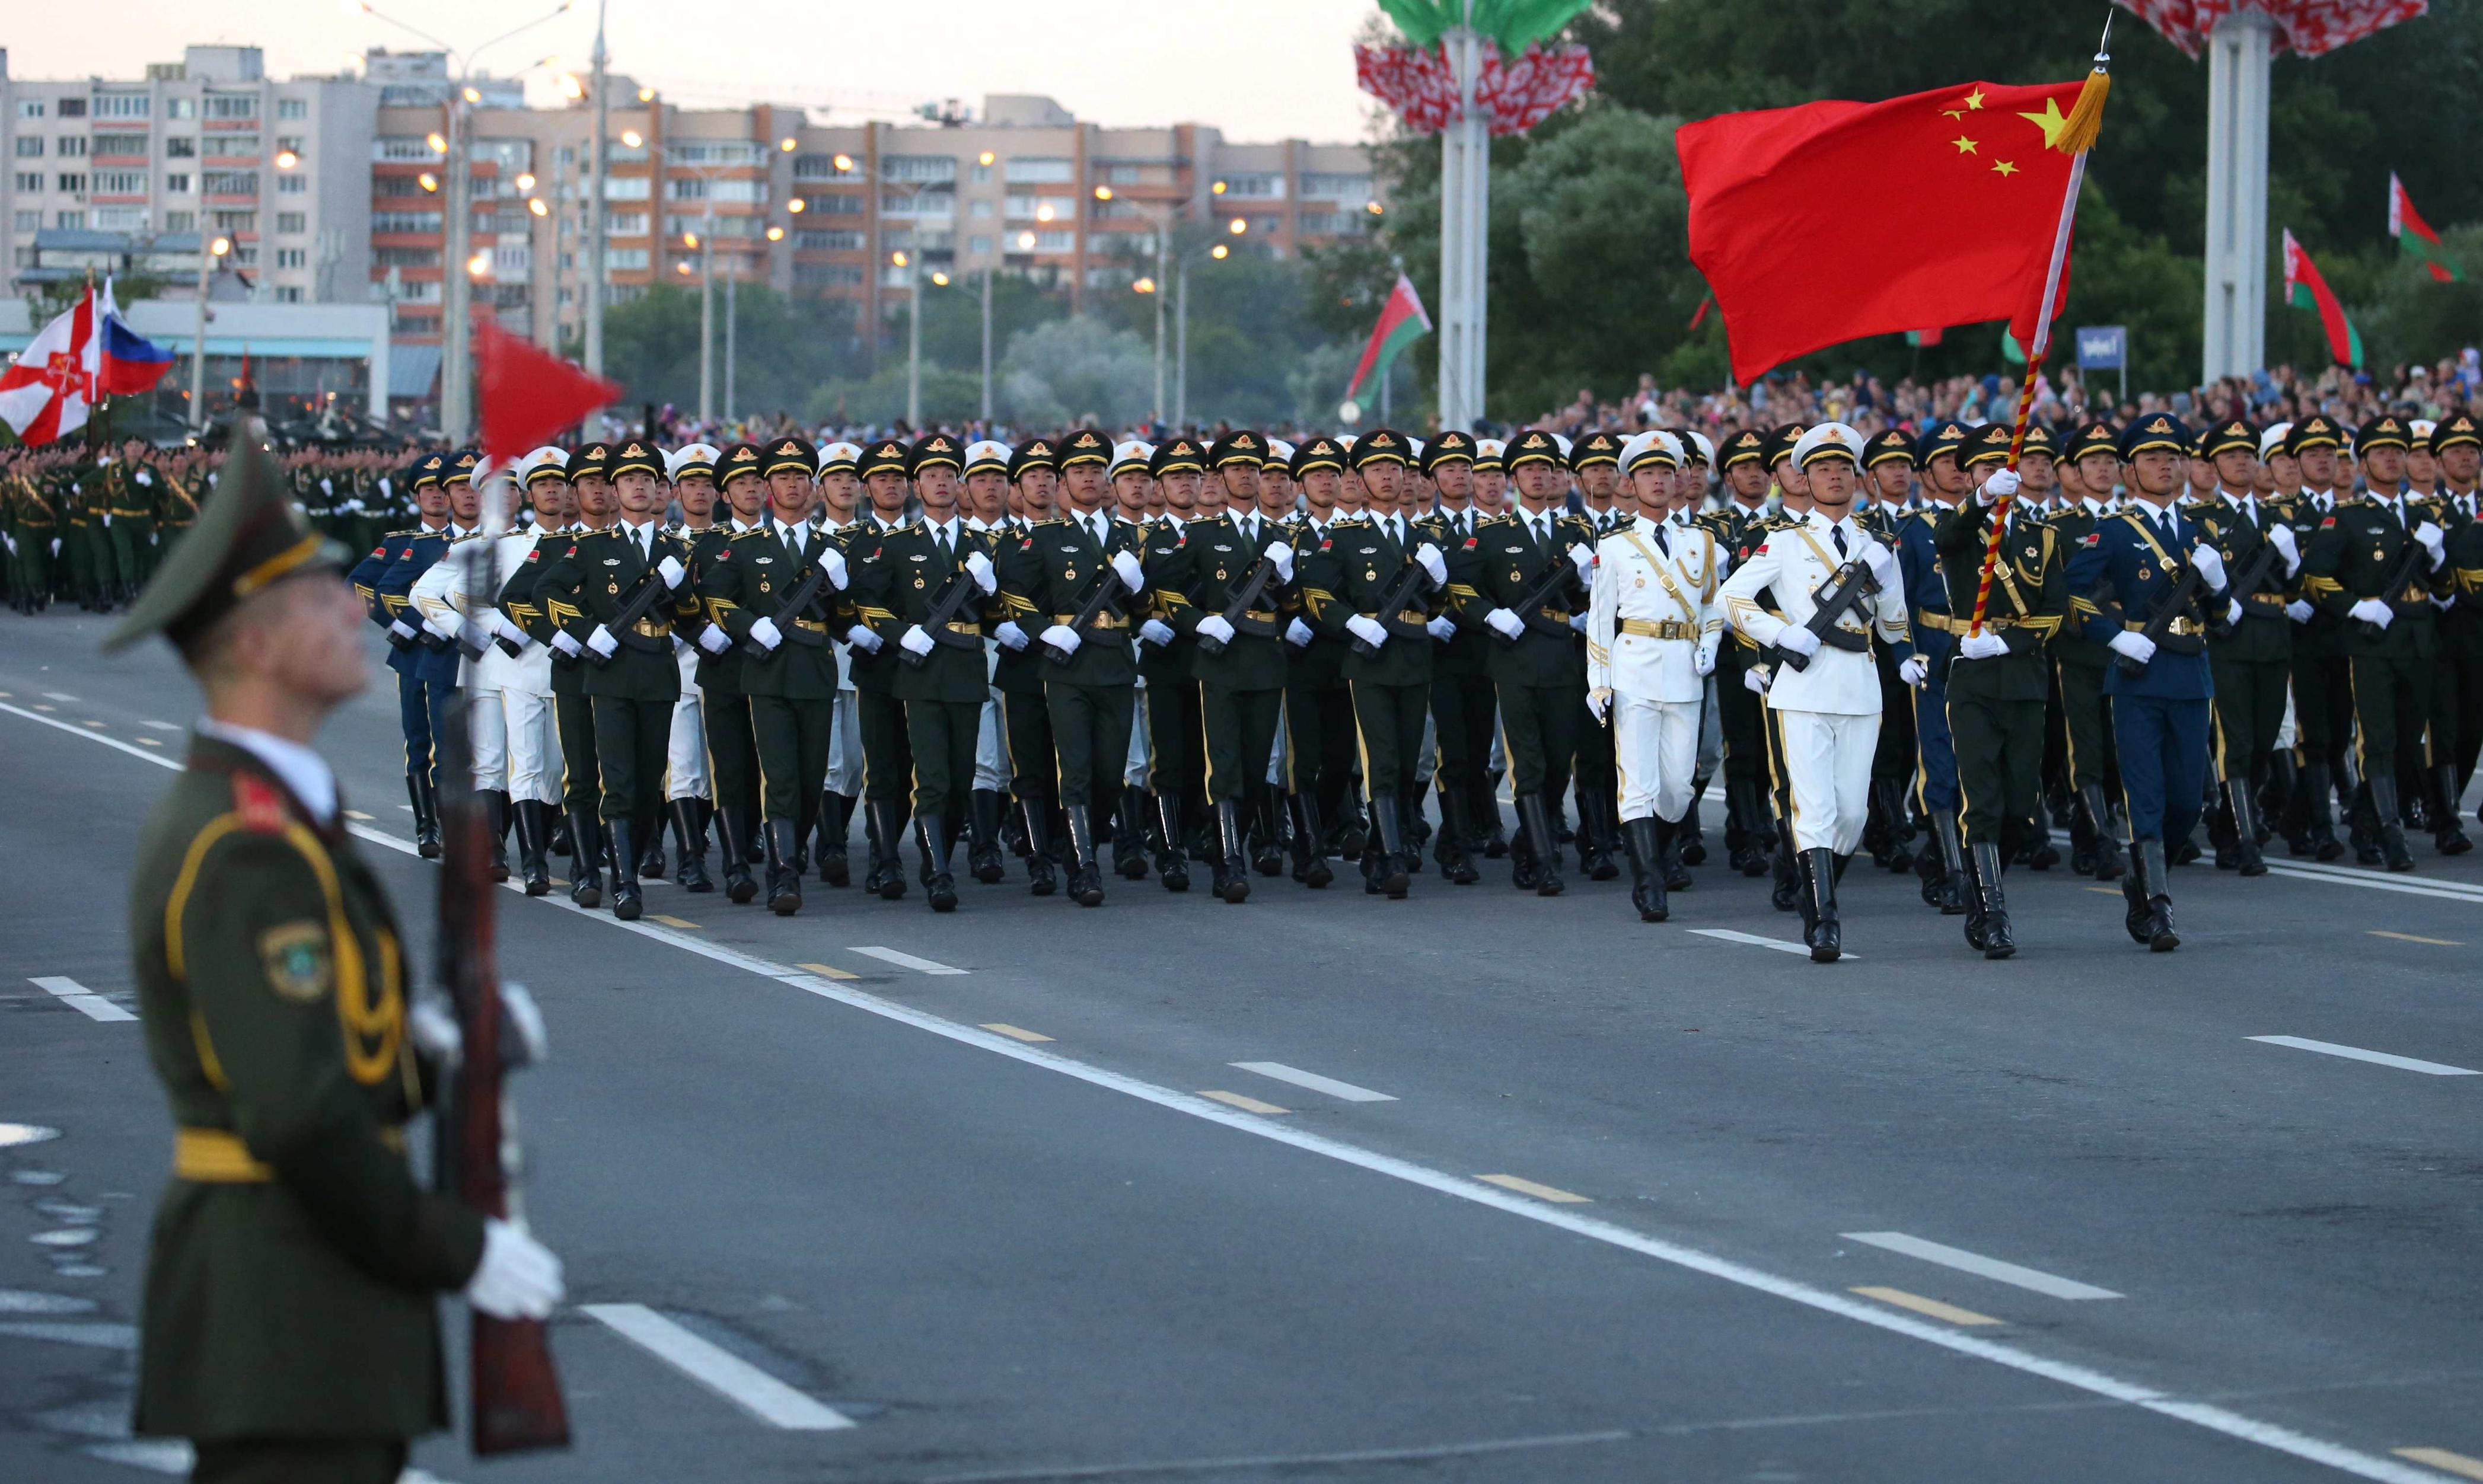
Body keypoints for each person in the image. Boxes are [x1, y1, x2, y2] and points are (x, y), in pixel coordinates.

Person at [106, 435, 562, 1484]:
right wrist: (460, 1247)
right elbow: (298, 1114)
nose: (355, 609)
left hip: (312, 1306)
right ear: (256, 645)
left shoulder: (277, 808)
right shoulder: (244, 840)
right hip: (282, 1305)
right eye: (320, 600)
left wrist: (431, 1053)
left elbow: (321, 1053)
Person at [1719, 423, 1923, 962]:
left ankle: (1814, 889)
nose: (1833, 477)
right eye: (1821, 469)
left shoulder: (1874, 547)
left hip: (1859, 685)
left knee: (1851, 815)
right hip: (1803, 687)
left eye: (1841, 469)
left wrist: (1905, 659)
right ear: (1804, 479)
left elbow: (1894, 617)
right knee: (1812, 807)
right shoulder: (1783, 541)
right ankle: (1824, 919)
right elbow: (1732, 598)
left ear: (1856, 479)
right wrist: (1780, 633)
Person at [2064, 413, 2232, 947]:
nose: (2164, 465)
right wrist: (2114, 636)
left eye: (2172, 457)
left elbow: (2224, 619)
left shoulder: (2200, 532)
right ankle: (2158, 907)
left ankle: (2143, 876)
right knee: (2147, 795)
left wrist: (2220, 585)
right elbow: (2071, 594)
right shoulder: (2113, 530)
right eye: (2152, 458)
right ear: (2131, 471)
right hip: (2137, 674)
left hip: (2190, 673)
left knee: (2188, 798)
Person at [531, 438, 702, 920]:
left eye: (648, 479)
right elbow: (547, 590)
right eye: (630, 479)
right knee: (619, 780)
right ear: (615, 489)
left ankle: (629, 859)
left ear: (659, 488)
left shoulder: (676, 549)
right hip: (609, 671)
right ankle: (625, 882)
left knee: (650, 783)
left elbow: (691, 616)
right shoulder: (591, 547)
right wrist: (588, 633)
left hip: (657, 670)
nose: (640, 486)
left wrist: (681, 587)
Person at [996, 427, 1161, 905]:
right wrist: (1042, 629)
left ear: (1107, 480)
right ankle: (1085, 865)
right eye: (1078, 471)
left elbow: (1149, 609)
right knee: (1076, 769)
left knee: (1111, 773)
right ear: (1064, 481)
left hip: (1114, 660)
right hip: (1066, 664)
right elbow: (1014, 594)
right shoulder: (1047, 536)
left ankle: (1077, 842)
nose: (1088, 478)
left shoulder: (1133, 535)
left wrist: (1139, 586)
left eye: (1095, 470)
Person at [697, 439, 852, 914]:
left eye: (800, 477)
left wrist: (844, 588)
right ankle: (783, 874)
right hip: (765, 671)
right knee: (780, 776)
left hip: (813, 669)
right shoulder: (744, 547)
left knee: (810, 779)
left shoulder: (832, 547)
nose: (792, 484)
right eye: (783, 477)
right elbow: (717, 598)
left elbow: (846, 618)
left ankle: (794, 846)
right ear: (767, 487)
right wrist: (748, 625)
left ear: (811, 487)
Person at [2302, 414, 2453, 872]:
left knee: (2408, 740)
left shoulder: (2427, 516)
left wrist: (2439, 555)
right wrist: (2354, 606)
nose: (2391, 458)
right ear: (2364, 463)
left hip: (2418, 639)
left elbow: (2445, 589)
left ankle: (2365, 822)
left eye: (2398, 451)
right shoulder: (2347, 517)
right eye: (2380, 452)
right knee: (2379, 738)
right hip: (2372, 641)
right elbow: (2315, 576)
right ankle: (2391, 835)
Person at [864, 433, 1005, 912]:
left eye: (948, 476)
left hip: (966, 665)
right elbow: (870, 605)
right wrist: (901, 633)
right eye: (931, 476)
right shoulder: (900, 544)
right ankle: (939, 868)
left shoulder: (982, 543)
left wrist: (993, 591)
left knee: (962, 774)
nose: (941, 483)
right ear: (916, 485)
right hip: (922, 672)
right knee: (932, 775)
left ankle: (935, 852)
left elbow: (1002, 615)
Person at [1937, 452, 2068, 959]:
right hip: (1970, 679)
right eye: (1984, 467)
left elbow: (2055, 611)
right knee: (1983, 800)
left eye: (2002, 464)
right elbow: (1945, 538)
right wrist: (1984, 497)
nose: (1996, 471)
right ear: (1970, 475)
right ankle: (1993, 915)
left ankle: (1976, 883)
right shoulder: (1961, 527)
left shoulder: (2043, 538)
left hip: (2023, 677)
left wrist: (2008, 643)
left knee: (2018, 806)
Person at [1588, 430, 1723, 922]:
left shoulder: (1701, 541)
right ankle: (1649, 881)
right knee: (1639, 782)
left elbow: (1711, 604)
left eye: (1666, 472)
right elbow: (1601, 622)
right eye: (1648, 474)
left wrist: (1710, 641)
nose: (1660, 481)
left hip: (1684, 670)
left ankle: (1656, 853)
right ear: (1630, 482)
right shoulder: (1617, 546)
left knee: (1678, 788)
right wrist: (1598, 681)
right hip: (1635, 666)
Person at [1306, 428, 1443, 898]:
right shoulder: (1344, 537)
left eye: (1394, 469)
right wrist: (1352, 624)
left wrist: (1440, 584)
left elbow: (1442, 605)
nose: (1386, 477)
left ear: (1407, 477)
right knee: (1381, 759)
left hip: (1413, 655)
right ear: (1360, 481)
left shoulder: (1426, 537)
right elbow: (1318, 594)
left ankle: (1381, 848)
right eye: (1375, 470)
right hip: (1369, 660)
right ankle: (1388, 855)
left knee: (1408, 760)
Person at [1461, 429, 1598, 895]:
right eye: (1528, 470)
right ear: (1514, 478)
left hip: (1562, 654)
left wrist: (1585, 603)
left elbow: (1603, 590)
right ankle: (1542, 859)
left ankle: (1529, 837)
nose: (1537, 476)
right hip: (1515, 658)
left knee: (1561, 756)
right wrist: (1490, 614)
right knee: (1529, 761)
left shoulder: (1578, 532)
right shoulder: (1493, 534)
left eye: (1545, 468)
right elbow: (1461, 588)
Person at [1166, 430, 1298, 902]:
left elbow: (1294, 603)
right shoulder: (1201, 533)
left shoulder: (1283, 536)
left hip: (1265, 660)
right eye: (1236, 468)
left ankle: (1230, 842)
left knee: (1255, 764)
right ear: (1218, 478)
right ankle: (1229, 863)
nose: (1245, 475)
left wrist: (1287, 581)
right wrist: (1199, 623)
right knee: (1222, 765)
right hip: (1220, 660)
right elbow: (1167, 590)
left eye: (1253, 469)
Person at [2192, 417, 2301, 875]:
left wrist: (2292, 560)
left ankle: (2227, 820)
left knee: (2263, 738)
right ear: (2215, 464)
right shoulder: (2200, 519)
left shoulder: (2280, 517)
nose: (2241, 461)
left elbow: (2294, 591)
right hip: (2229, 638)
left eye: (2247, 454)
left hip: (2273, 634)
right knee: (2234, 739)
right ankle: (2246, 836)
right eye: (2231, 455)